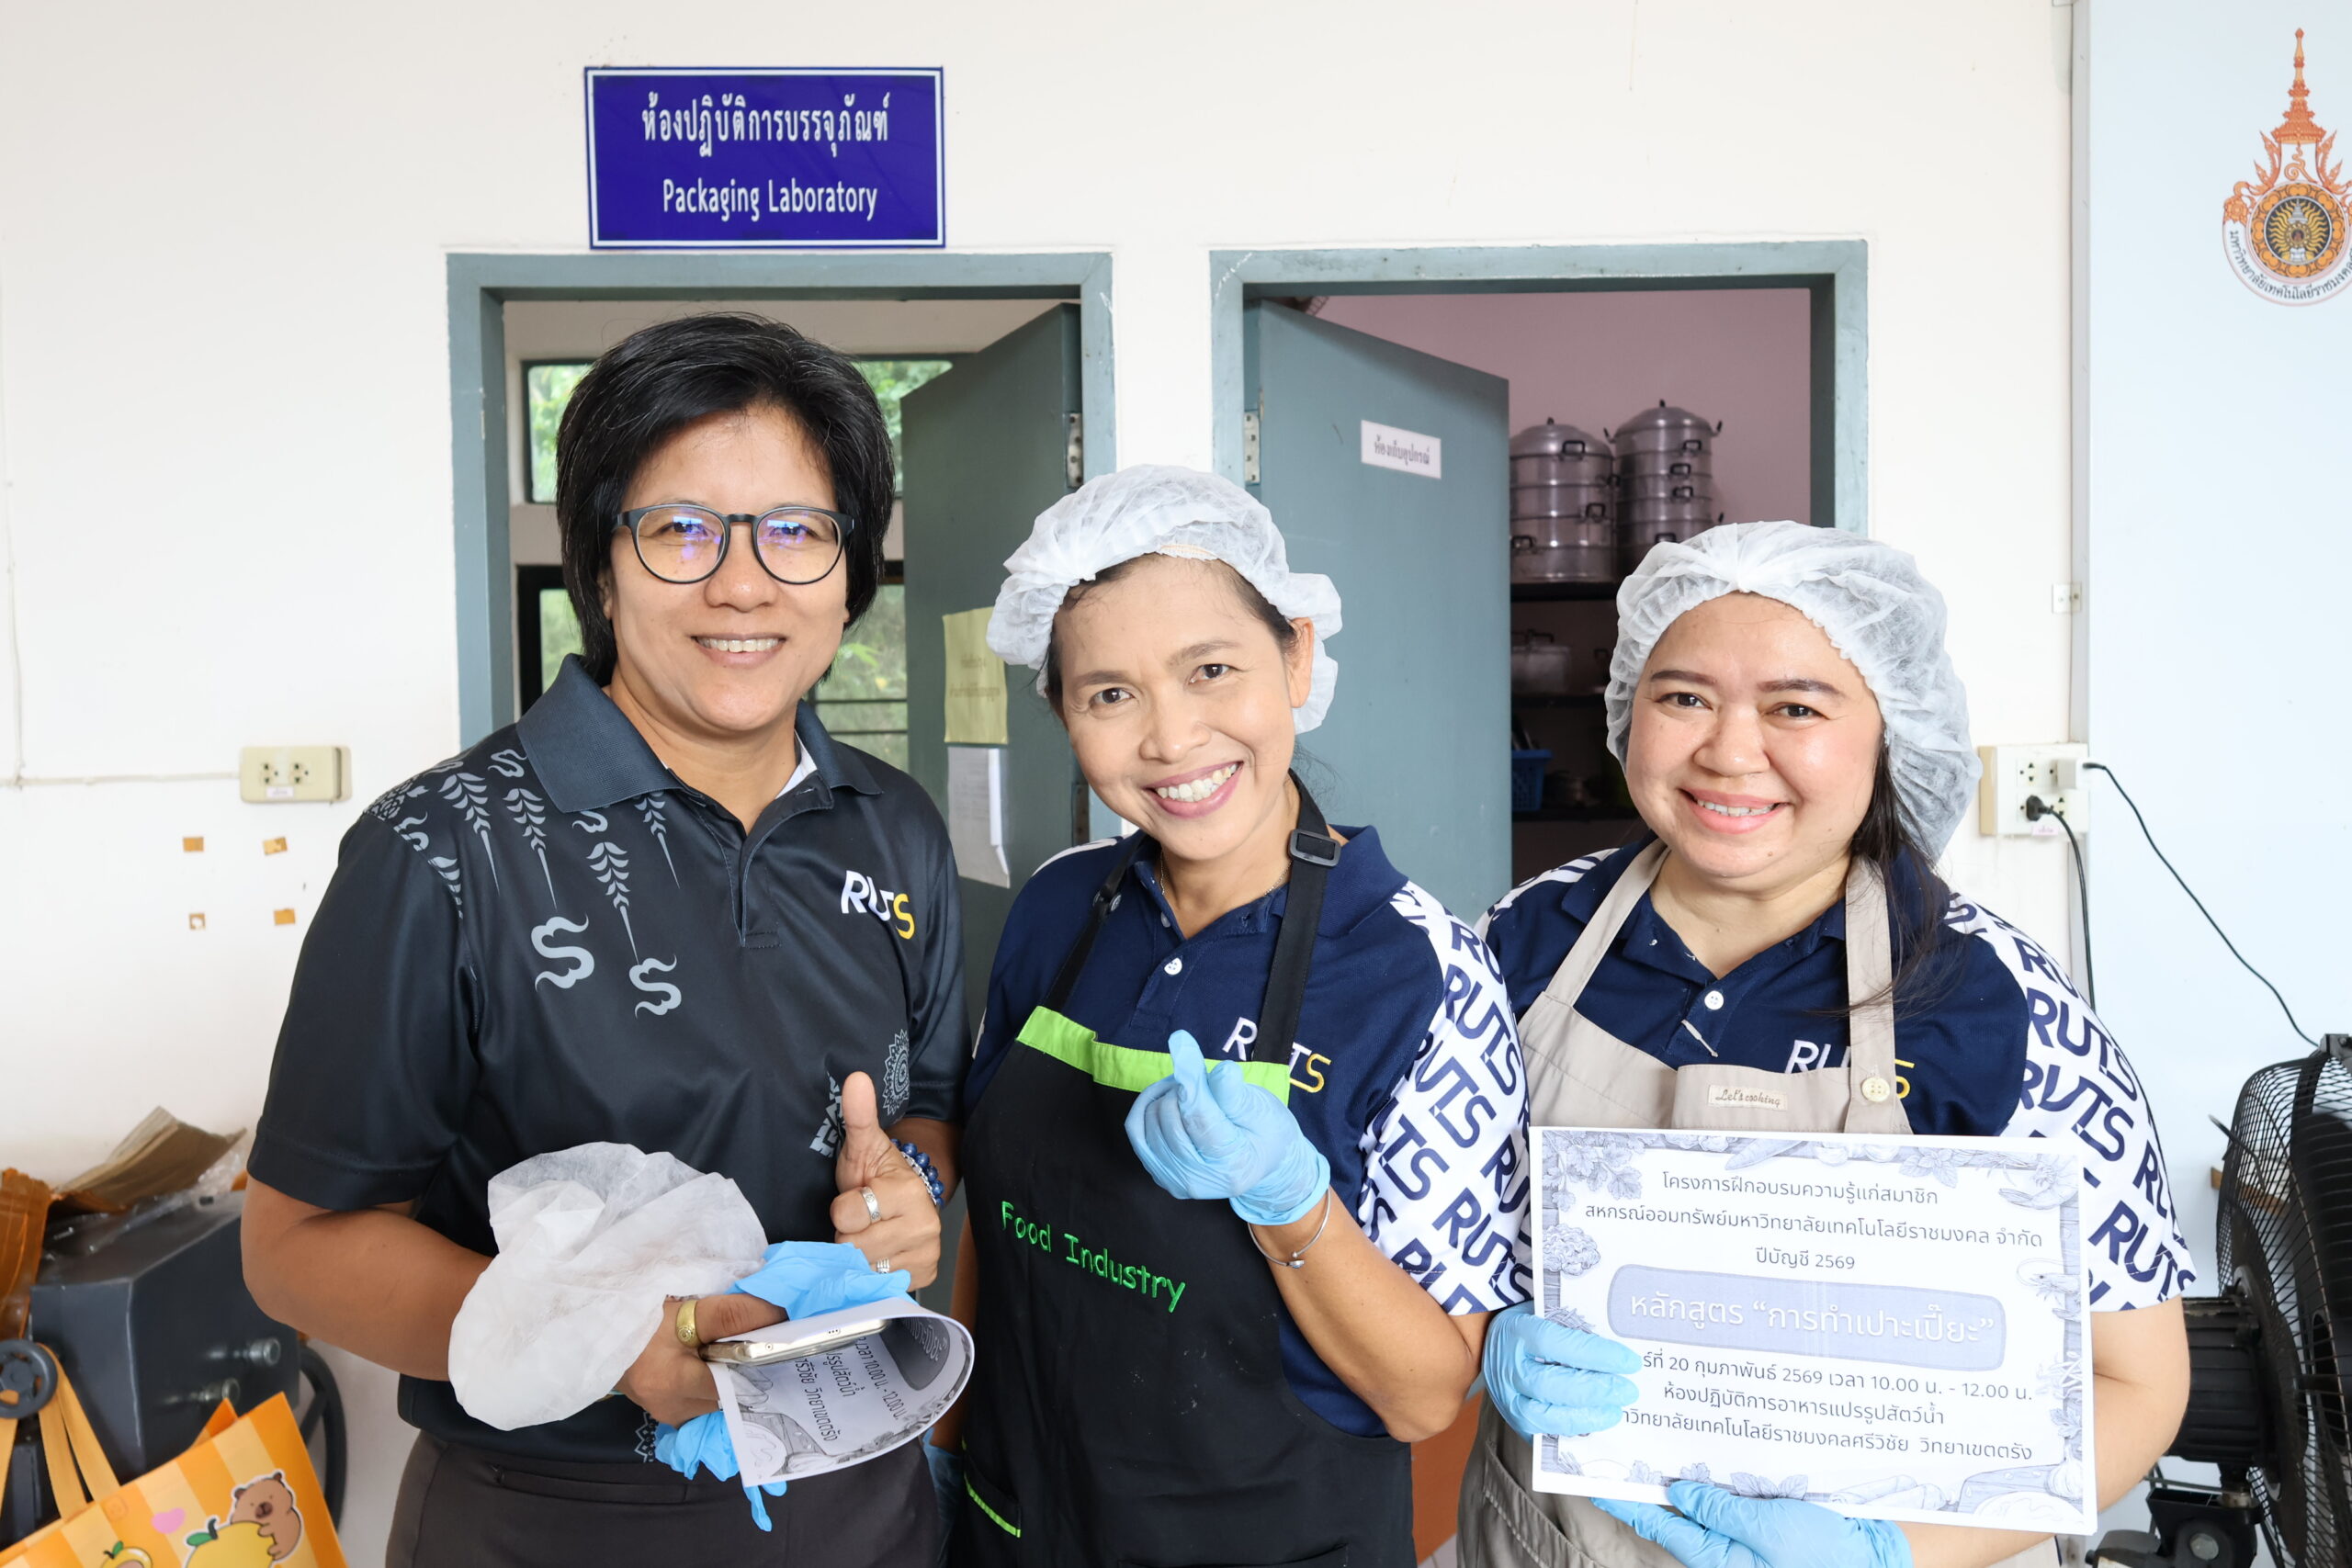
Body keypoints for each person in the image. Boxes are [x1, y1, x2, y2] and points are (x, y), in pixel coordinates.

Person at [241, 313, 963, 1566]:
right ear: (601, 565)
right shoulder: (442, 850)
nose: (744, 584)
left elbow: (931, 1111)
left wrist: (912, 1193)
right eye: (681, 529)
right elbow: (295, 1250)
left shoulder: (893, 826)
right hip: (557, 1516)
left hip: (863, 1491)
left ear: (851, 573)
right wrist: (607, 1339)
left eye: (797, 531)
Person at [1456, 521, 2193, 1568]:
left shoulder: (1998, 1004)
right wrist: (1485, 1336)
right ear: (1627, 710)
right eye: (1683, 697)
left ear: (1891, 734)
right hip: (1545, 1539)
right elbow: (1437, 1245)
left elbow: (2138, 1382)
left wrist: (1888, 1552)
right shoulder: (1522, 939)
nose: (1727, 751)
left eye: (1794, 707)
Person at [939, 466, 1528, 1567]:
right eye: (1108, 694)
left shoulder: (1421, 971)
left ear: (1296, 658)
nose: (1170, 739)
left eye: (1211, 671)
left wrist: (1291, 1204)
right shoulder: (1058, 908)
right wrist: (946, 1431)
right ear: (1063, 712)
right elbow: (996, 1225)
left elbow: (1421, 1397)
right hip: (1019, 1525)